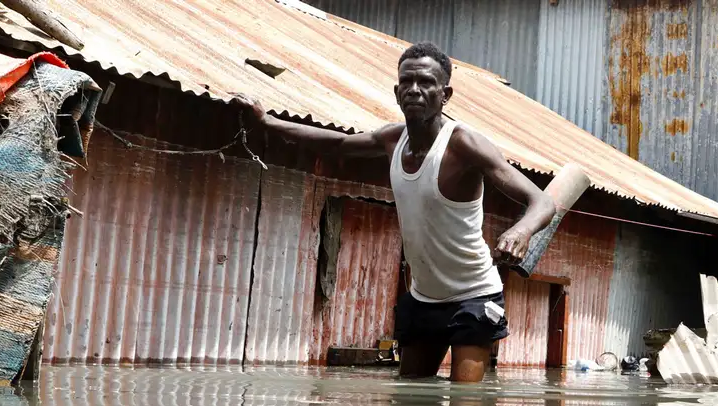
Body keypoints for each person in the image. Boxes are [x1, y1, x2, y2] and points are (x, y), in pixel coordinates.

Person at [231, 41, 557, 383]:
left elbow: (542, 202)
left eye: (427, 83)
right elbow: (335, 143)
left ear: (445, 94)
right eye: (408, 82)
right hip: (423, 297)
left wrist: (521, 231)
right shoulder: (392, 139)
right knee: (411, 399)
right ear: (397, 90)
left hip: (473, 295)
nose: (415, 90)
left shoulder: (465, 144)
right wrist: (266, 123)